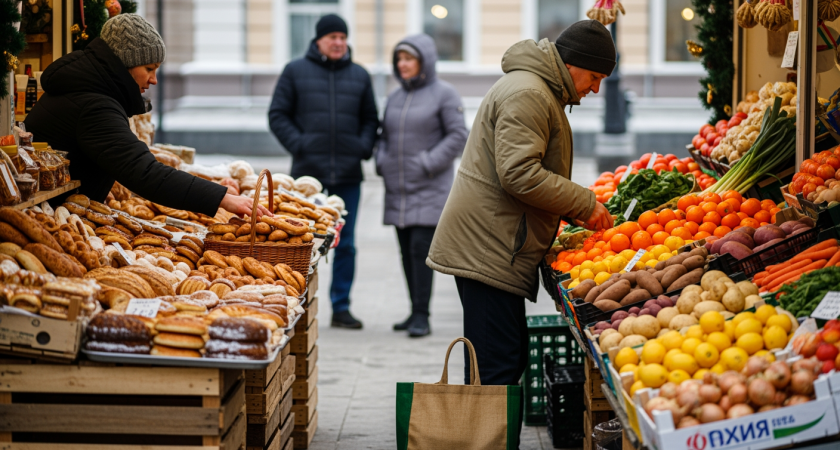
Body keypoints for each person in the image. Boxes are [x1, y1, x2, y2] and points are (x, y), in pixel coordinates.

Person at [426, 20, 616, 444]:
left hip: (494, 242)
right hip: (488, 247)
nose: (595, 89)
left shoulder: (537, 89)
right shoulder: (530, 93)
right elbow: (519, 174)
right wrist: (583, 203)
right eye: (595, 77)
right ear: (573, 64)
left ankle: (482, 439)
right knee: (497, 364)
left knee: (496, 359)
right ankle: (482, 441)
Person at [24, 14, 267, 219]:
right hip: (50, 220)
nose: (154, 79)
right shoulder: (95, 105)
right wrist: (222, 198)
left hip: (56, 212)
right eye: (149, 69)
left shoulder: (88, 88)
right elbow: (144, 172)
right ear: (124, 64)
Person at [268, 14, 378, 330]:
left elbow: (371, 120)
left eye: (342, 37)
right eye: (332, 37)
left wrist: (361, 147)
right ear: (318, 41)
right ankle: (296, 300)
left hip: (347, 176)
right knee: (301, 242)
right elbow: (277, 115)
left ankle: (341, 307)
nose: (338, 42)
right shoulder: (295, 71)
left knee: (347, 244)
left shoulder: (359, 75)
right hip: (308, 181)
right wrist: (300, 144)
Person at [376, 34, 467, 338]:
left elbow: (457, 135)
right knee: (404, 250)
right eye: (399, 59)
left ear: (424, 61)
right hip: (398, 189)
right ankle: (413, 310)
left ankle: (422, 315)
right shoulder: (395, 96)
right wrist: (381, 160)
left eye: (408, 59)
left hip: (429, 187)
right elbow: (384, 135)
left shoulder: (445, 94)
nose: (402, 64)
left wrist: (428, 162)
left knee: (420, 250)